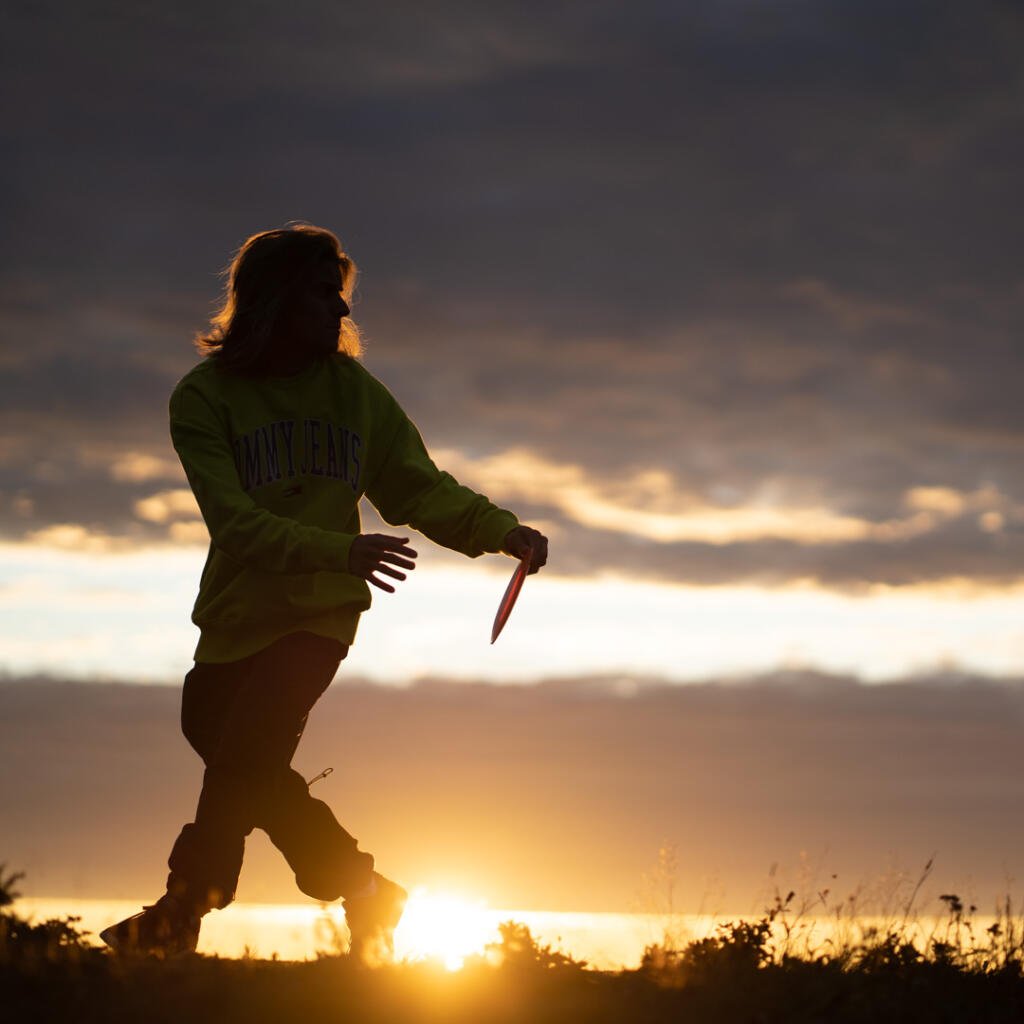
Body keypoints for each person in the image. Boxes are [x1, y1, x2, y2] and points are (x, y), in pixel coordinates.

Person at [100, 224, 548, 961]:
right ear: (273, 299)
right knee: (232, 753)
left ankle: (184, 910)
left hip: (318, 616)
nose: (341, 314)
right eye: (323, 295)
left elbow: (413, 483)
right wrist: (341, 546)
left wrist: (501, 530)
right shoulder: (204, 399)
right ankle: (368, 890)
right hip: (237, 611)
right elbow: (238, 524)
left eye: (341, 299)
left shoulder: (355, 394)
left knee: (243, 751)